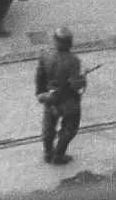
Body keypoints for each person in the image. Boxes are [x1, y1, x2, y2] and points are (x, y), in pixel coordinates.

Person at [35, 26, 87, 165]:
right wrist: (83, 80)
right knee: (70, 127)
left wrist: (40, 93)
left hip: (49, 97)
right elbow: (75, 85)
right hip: (67, 101)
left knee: (48, 125)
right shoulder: (73, 61)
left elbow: (39, 76)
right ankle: (59, 154)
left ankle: (47, 153)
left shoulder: (44, 54)